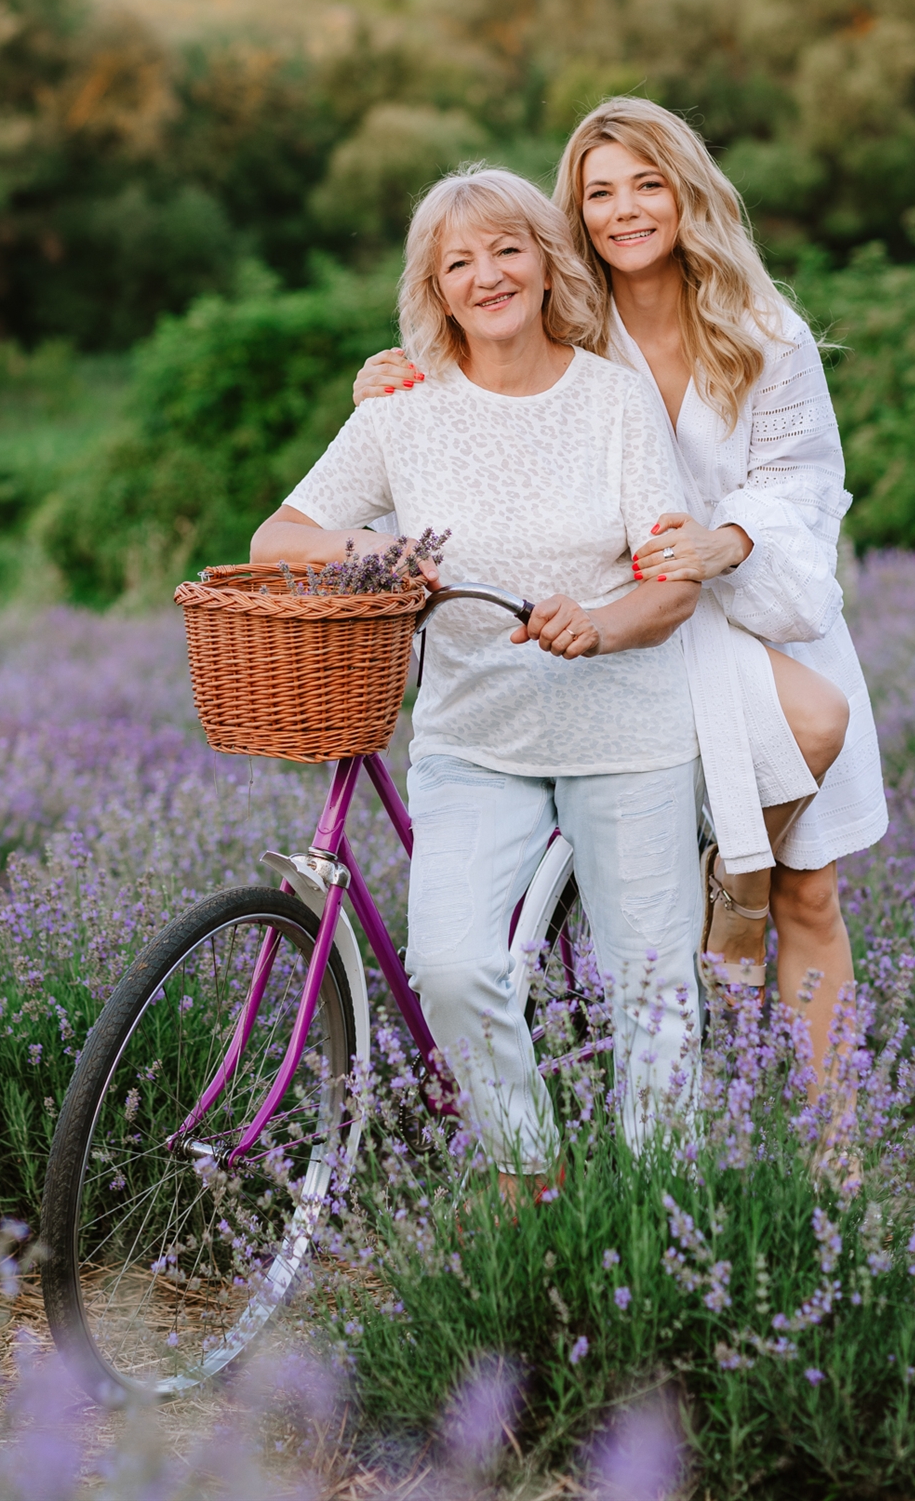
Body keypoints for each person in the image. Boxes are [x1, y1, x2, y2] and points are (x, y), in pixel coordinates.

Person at [351, 102, 887, 1087]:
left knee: (812, 881)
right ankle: (724, 897)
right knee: (803, 726)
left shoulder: (767, 331)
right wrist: (398, 382)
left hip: (756, 596)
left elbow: (808, 480)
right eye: (600, 192)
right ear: (575, 212)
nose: (625, 209)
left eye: (648, 183)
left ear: (689, 191)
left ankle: (830, 1146)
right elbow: (479, 385)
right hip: (625, 616)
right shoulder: (569, 317)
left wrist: (729, 539)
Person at [252, 168, 704, 1197]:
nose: (487, 275)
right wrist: (375, 545)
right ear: (435, 288)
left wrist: (597, 622)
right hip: (472, 741)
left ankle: (660, 1224)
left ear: (547, 262)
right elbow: (274, 536)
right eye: (459, 262)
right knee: (453, 973)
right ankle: (532, 1184)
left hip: (625, 733)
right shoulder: (403, 411)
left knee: (652, 996)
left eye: (507, 249)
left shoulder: (613, 400)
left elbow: (670, 589)